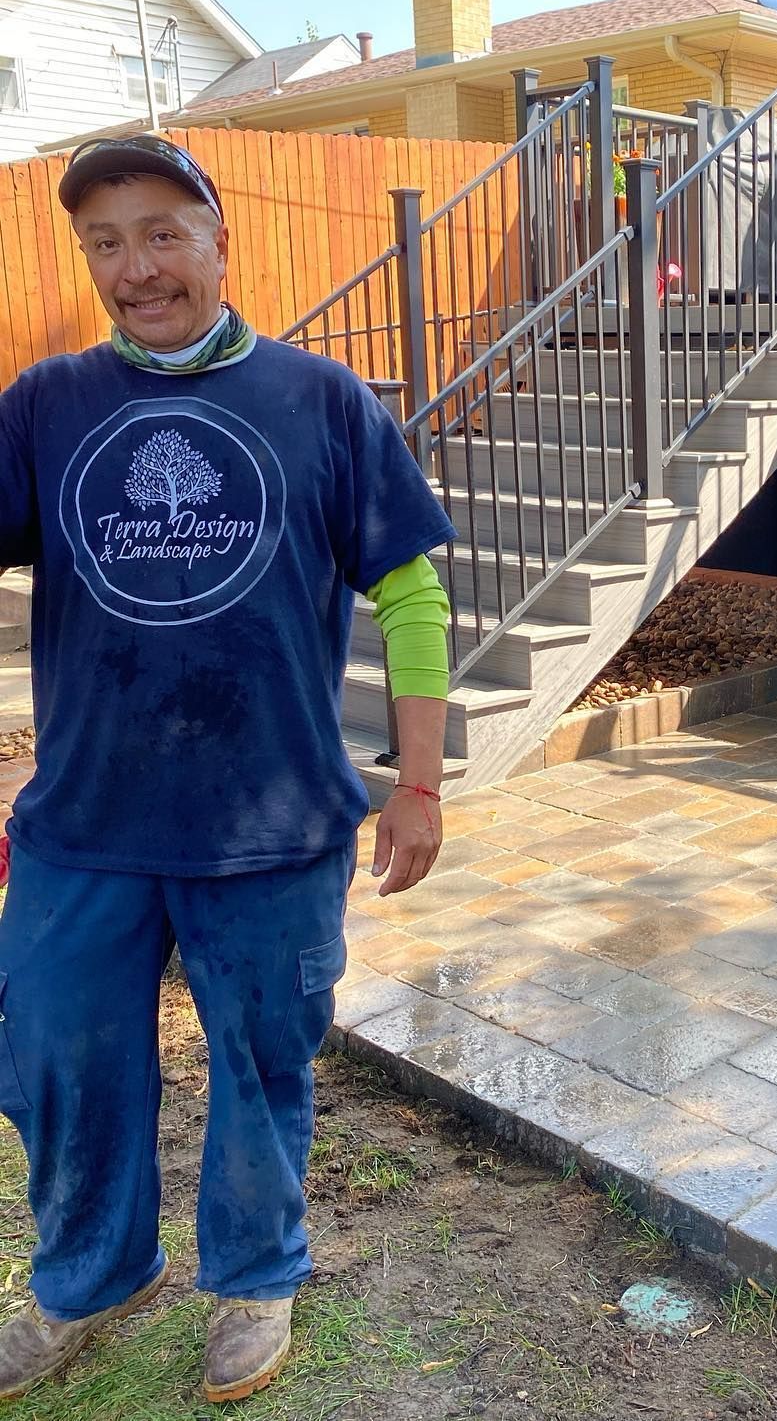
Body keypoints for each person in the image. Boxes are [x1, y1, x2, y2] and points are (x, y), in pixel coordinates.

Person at [0, 134, 456, 1403]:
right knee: (58, 1054)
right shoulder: (45, 404)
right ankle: (91, 1274)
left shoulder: (322, 402)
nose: (134, 267)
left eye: (159, 233)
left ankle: (255, 1277)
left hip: (271, 825)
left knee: (262, 1063)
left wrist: (416, 783)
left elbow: (411, 591)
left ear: (216, 239)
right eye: (103, 242)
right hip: (84, 821)